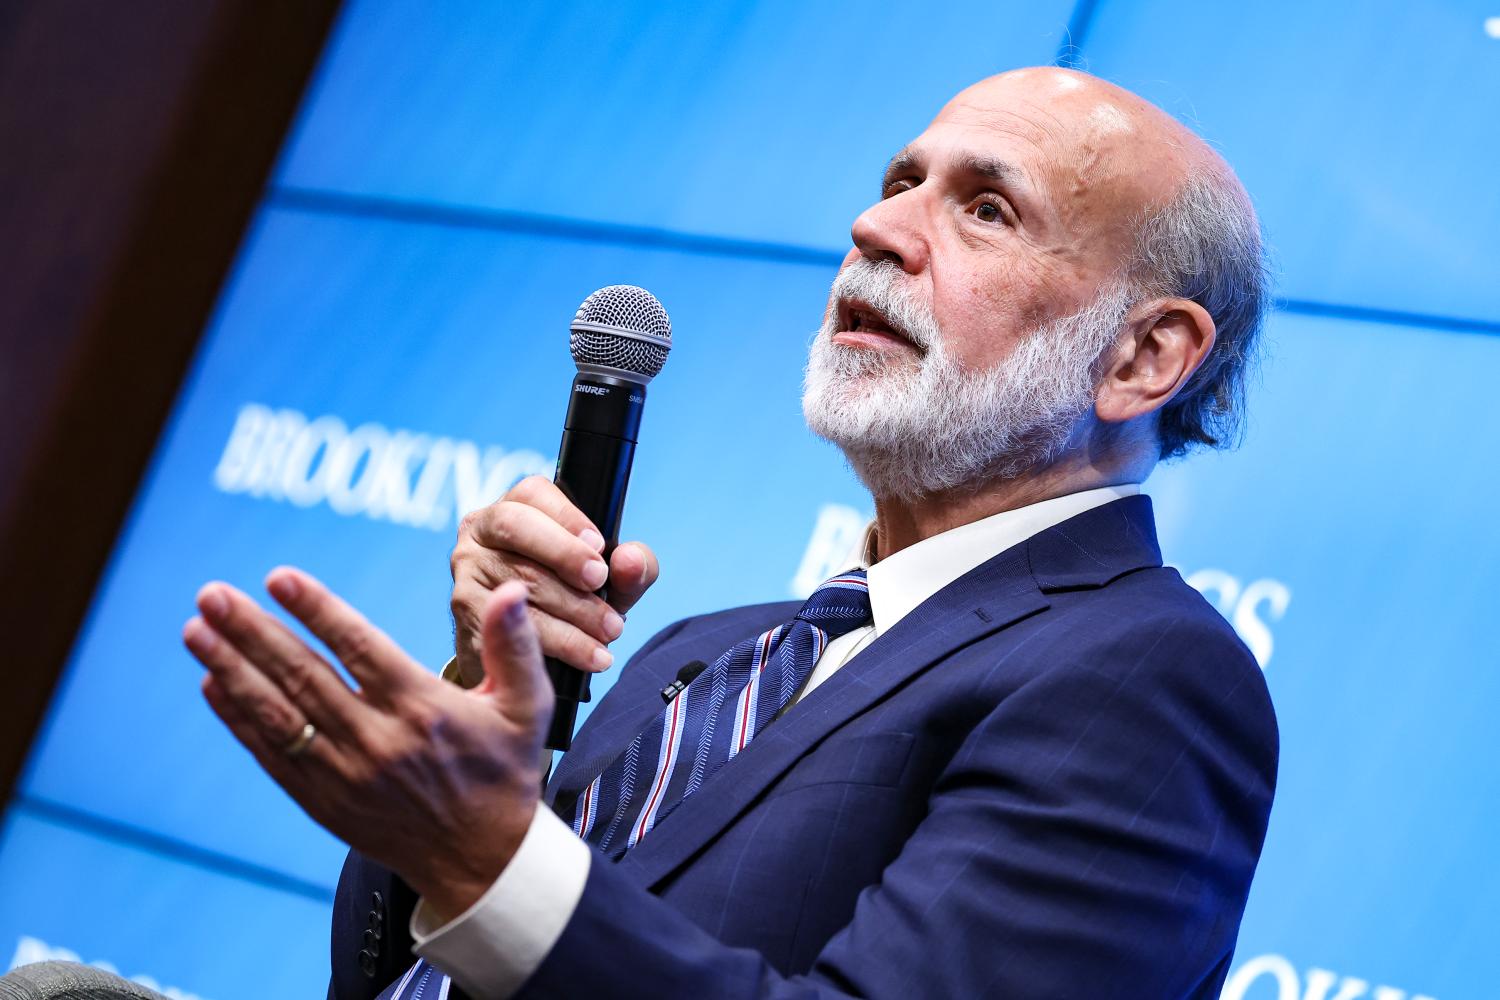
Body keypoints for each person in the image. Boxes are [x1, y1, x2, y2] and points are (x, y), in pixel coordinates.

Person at [182, 66, 1278, 999]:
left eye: (987, 209)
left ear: (1144, 358)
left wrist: (491, 855)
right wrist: (467, 733)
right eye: (903, 182)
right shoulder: (704, 649)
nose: (878, 228)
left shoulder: (1145, 676)